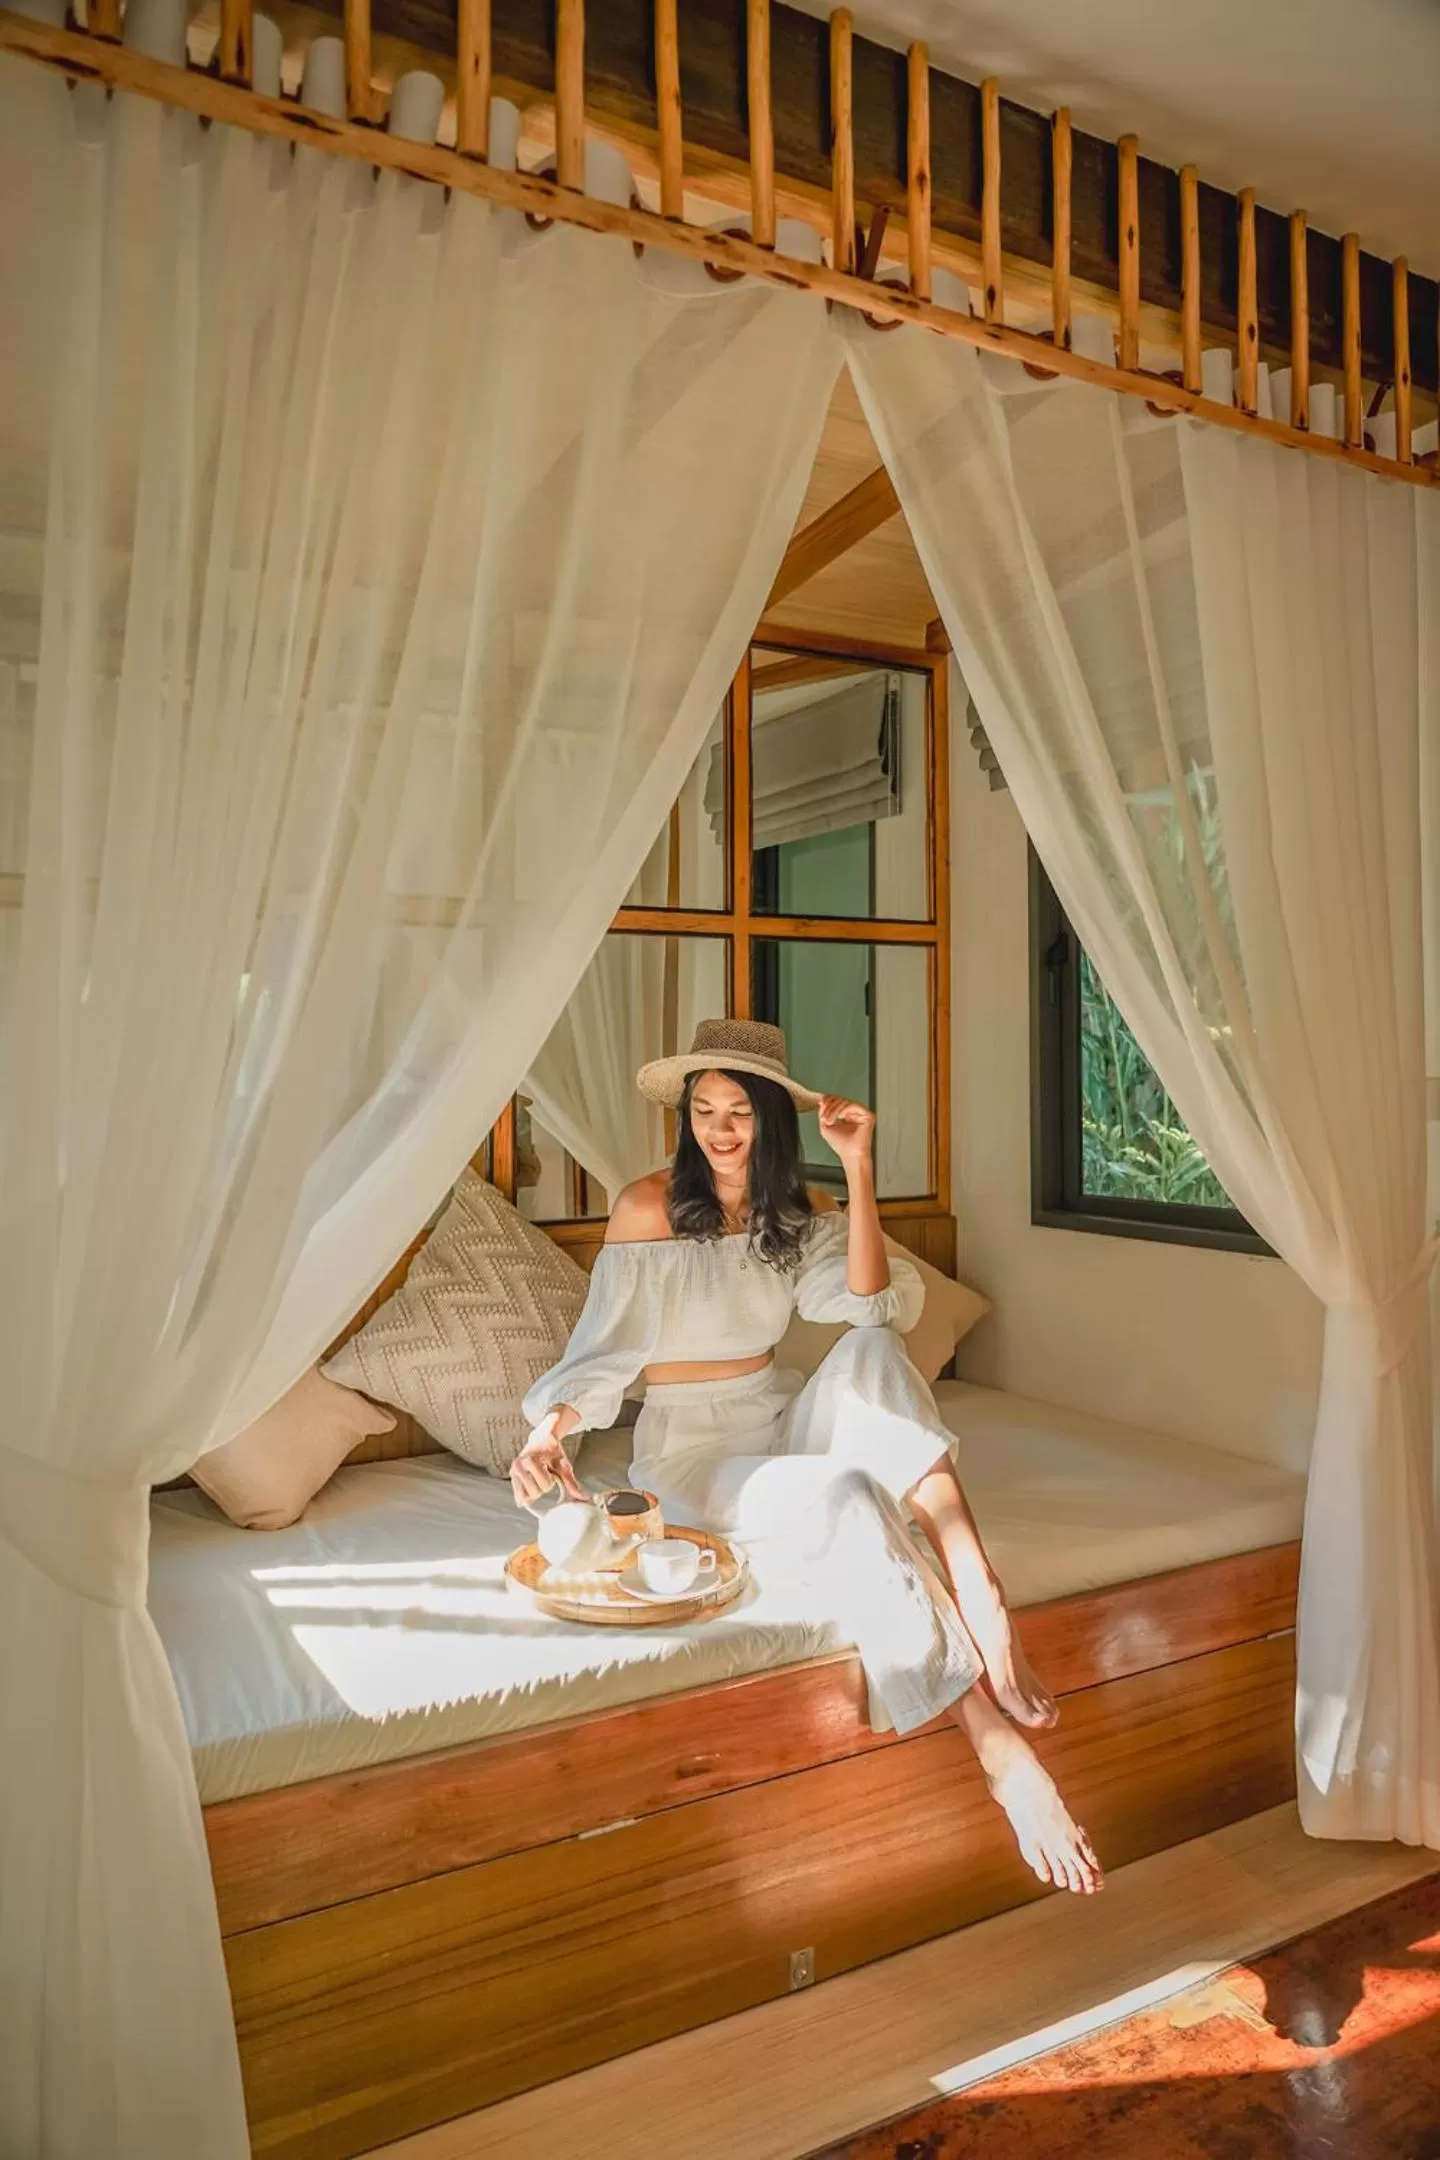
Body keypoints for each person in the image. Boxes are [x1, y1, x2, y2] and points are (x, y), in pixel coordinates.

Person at [514, 1018, 1101, 1896]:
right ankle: (993, 1743)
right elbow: (605, 1349)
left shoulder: (802, 1209)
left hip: (774, 1414)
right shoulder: (645, 1207)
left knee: (870, 1352)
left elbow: (869, 1306)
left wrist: (858, 1169)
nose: (717, 1131)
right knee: (846, 1496)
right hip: (691, 1453)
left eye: (739, 1113)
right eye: (703, 1111)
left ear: (774, 1122)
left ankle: (976, 1578)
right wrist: (548, 1431)